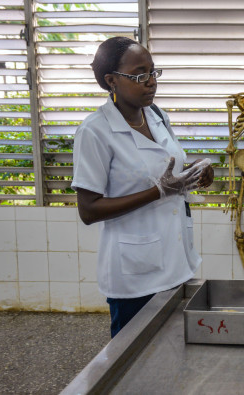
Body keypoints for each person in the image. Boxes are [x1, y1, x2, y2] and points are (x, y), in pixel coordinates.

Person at [72, 36, 214, 338]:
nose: (150, 82)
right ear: (111, 80)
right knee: (132, 365)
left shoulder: (157, 116)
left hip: (177, 260)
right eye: (139, 75)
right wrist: (158, 192)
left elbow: (167, 174)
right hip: (135, 275)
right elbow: (88, 210)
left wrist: (196, 170)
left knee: (175, 356)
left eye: (153, 72)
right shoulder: (95, 131)